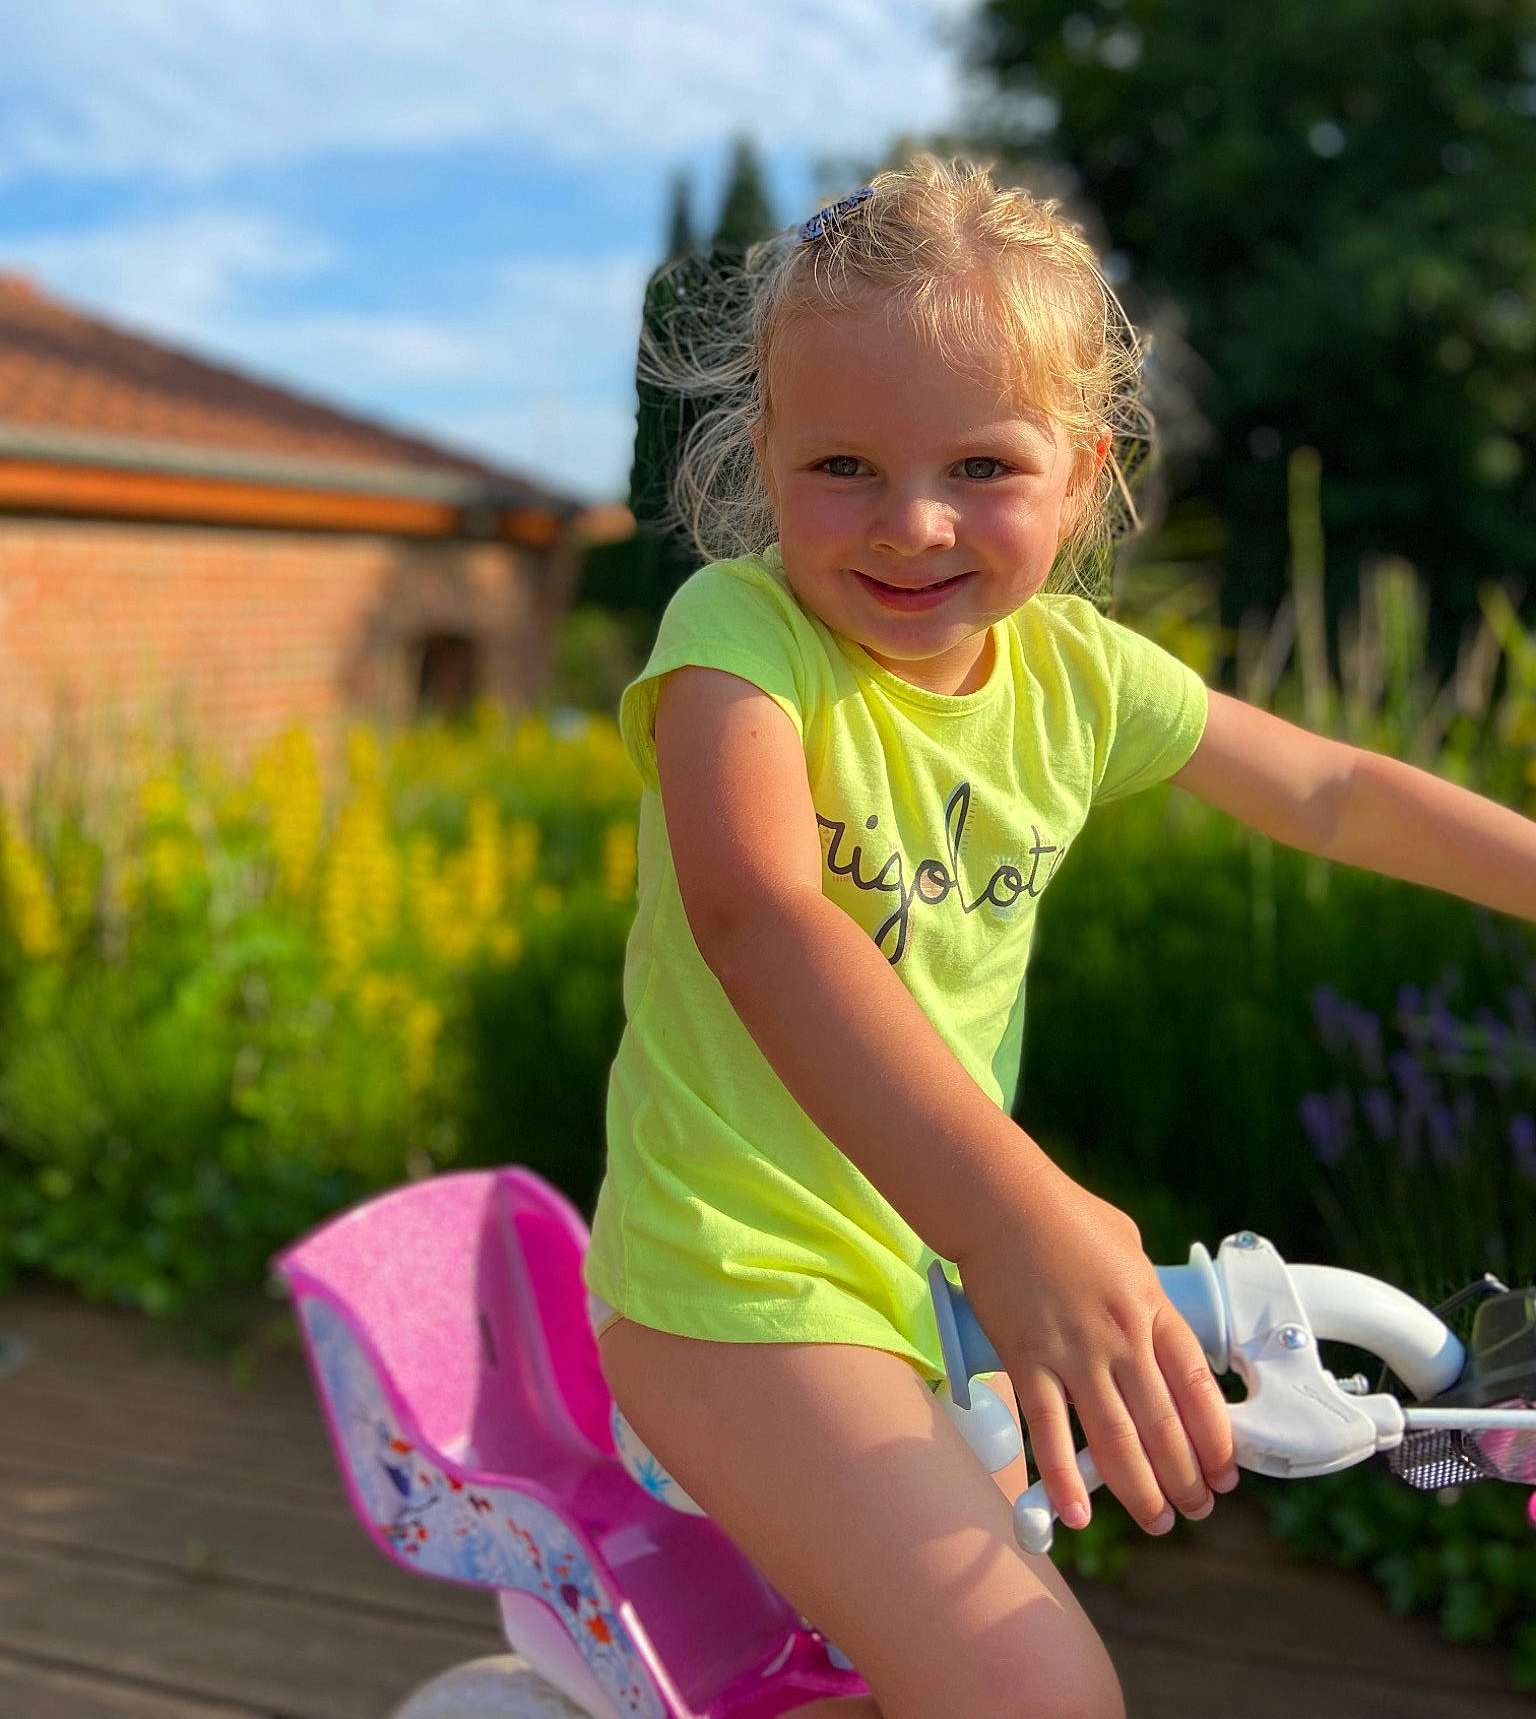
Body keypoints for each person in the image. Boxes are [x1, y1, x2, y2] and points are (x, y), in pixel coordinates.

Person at [582, 154, 1536, 1719]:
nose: (911, 523)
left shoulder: (1076, 672)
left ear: (1083, 474)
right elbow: (760, 915)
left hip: (911, 1276)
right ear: (763, 456)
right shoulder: (738, 641)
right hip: (730, 1289)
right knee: (1038, 1695)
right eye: (840, 468)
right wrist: (1014, 1214)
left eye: (981, 465)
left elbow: (1334, 787)